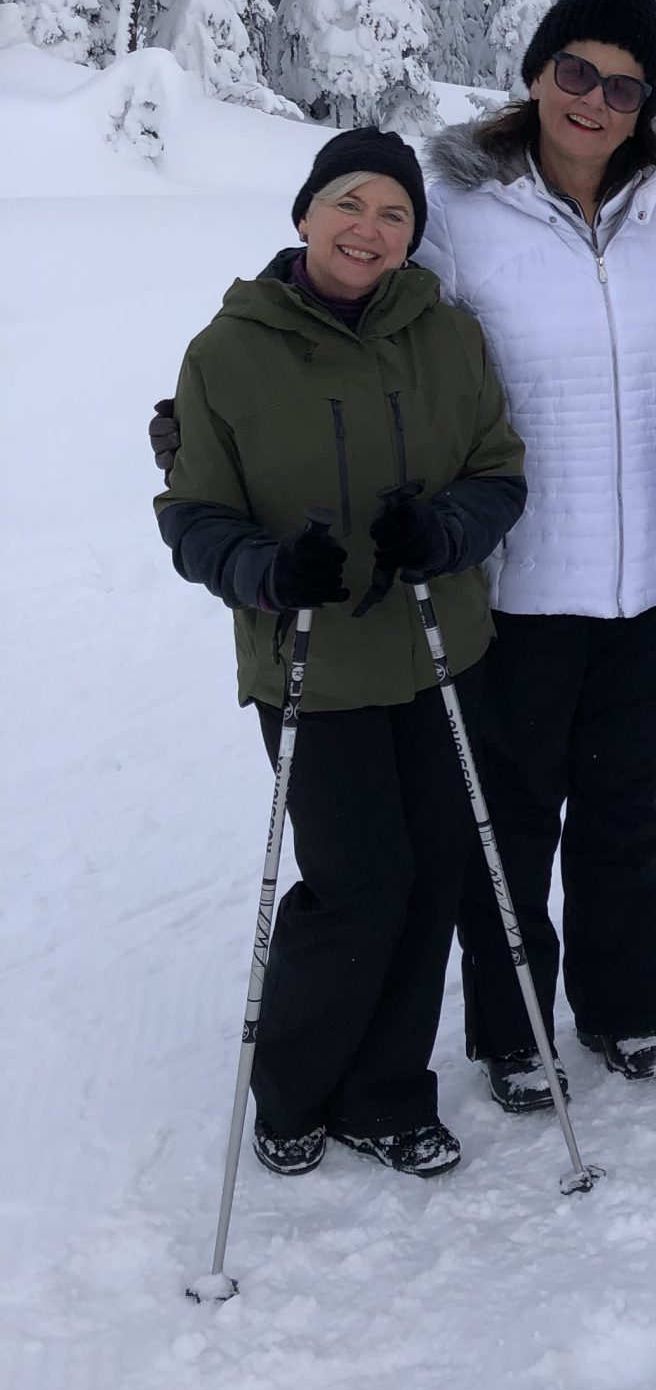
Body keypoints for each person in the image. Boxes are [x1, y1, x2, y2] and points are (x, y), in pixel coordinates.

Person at [156, 131, 526, 1178]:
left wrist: (446, 530)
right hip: (313, 664)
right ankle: (297, 1081)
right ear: (306, 214)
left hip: (441, 646)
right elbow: (191, 515)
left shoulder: (449, 337)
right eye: (349, 206)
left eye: (394, 214)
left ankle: (386, 1094)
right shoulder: (226, 352)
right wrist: (267, 568)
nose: (369, 230)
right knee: (361, 879)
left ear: (414, 237)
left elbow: (499, 470)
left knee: (435, 871)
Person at [417, 0, 656, 1110]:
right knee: (512, 811)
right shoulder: (461, 206)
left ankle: (625, 1002)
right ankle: (510, 1023)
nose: (595, 100)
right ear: (538, 71)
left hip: (647, 566)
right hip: (519, 573)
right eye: (576, 71)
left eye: (625, 85)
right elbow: (376, 316)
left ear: (649, 105)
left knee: (622, 801)